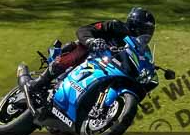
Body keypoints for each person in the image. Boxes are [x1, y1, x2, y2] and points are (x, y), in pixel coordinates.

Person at [24, 7, 156, 104]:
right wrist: (91, 41)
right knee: (81, 49)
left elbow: (143, 62)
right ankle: (39, 83)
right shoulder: (115, 26)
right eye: (144, 29)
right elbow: (85, 29)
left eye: (149, 31)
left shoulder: (142, 49)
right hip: (92, 57)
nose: (146, 34)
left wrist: (150, 72)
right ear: (134, 24)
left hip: (111, 70)